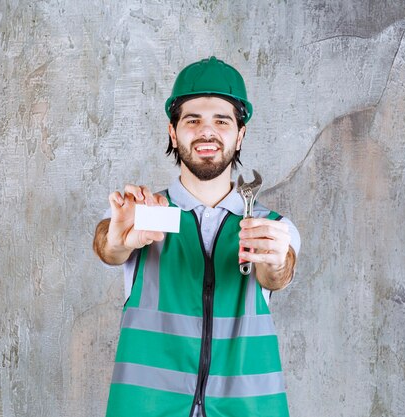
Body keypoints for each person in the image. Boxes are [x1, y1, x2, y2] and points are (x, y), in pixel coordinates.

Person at [93, 56, 300, 417]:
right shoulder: (145, 214)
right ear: (173, 132)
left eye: (222, 120)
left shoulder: (271, 227)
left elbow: (276, 274)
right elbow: (108, 246)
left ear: (240, 134)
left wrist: (277, 259)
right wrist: (117, 239)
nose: (207, 132)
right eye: (193, 120)